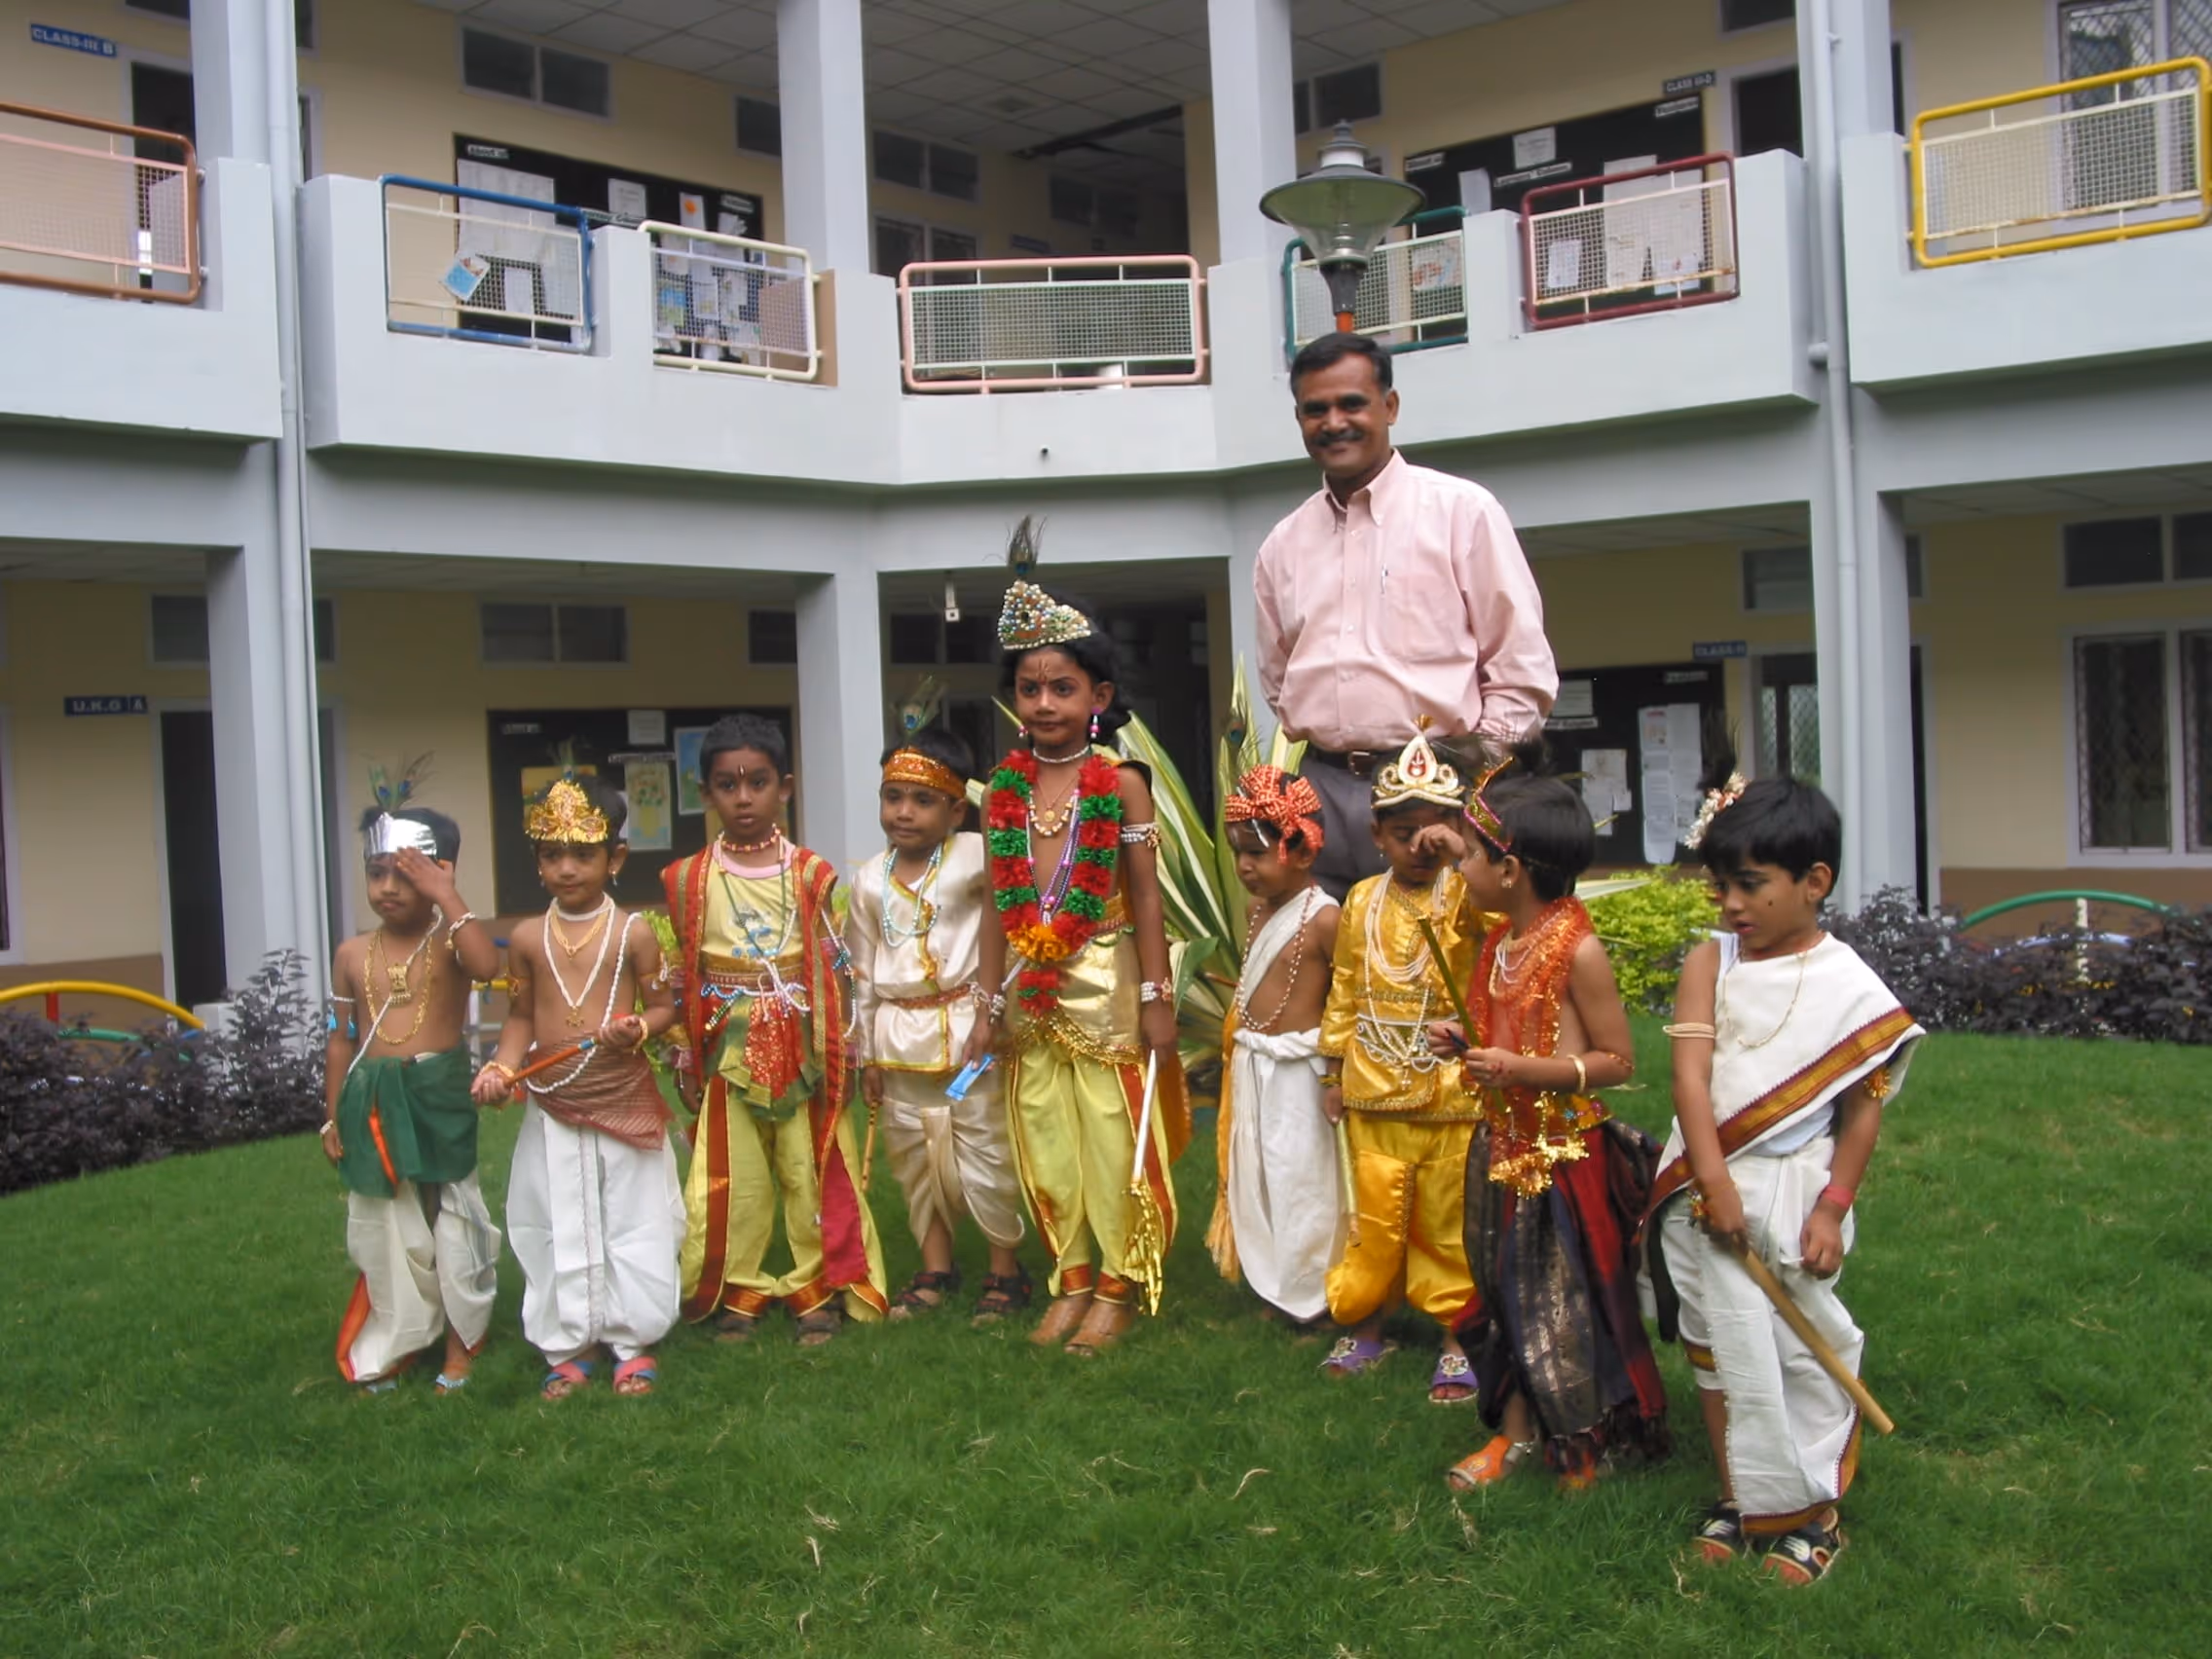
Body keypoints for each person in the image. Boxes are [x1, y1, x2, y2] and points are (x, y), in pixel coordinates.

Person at [1645, 752, 1924, 1584]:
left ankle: (1811, 1512)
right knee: (1715, 1343)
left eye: (1751, 885)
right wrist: (1716, 1184)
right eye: (1719, 887)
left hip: (1794, 1186)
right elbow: (1689, 1079)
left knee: (1798, 1348)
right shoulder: (1711, 962)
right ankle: (1740, 1496)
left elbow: (1862, 1109)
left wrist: (1833, 1208)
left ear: (1814, 880)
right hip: (1703, 1183)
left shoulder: (1851, 986)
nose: (1731, 905)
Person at [1418, 754, 1669, 1493]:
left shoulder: (1577, 949)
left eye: (1469, 856)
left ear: (1512, 870)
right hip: (1500, 1142)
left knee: (1565, 1303)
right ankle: (1517, 1435)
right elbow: (1509, 1043)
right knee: (1506, 1297)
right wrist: (1468, 1047)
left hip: (1564, 1156)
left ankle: (1582, 1440)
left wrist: (1522, 1071)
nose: (1462, 869)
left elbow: (1618, 1061)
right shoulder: (1502, 941)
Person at [1253, 330, 1559, 901]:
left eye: (1352, 404)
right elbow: (1278, 682)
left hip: (1439, 790)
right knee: (1329, 971)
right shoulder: (1282, 544)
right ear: (1299, 419)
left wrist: (1469, 779)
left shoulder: (1461, 513)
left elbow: (1520, 668)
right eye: (1315, 410)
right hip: (1320, 791)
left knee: (1438, 977)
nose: (1333, 422)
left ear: (1389, 407)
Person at [977, 580, 1185, 1357]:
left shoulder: (1121, 781)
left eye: (1062, 687)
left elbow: (1146, 899)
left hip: (1105, 977)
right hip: (1027, 985)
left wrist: (1158, 995)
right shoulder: (1003, 789)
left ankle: (1119, 1283)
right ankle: (1070, 1275)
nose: (1043, 704)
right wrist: (984, 1003)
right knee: (1042, 1132)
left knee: (1108, 1131)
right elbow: (1003, 904)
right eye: (1029, 688)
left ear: (1098, 694)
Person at [663, 715, 887, 1344]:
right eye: (727, 785)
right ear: (705, 793)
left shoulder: (810, 873)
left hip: (802, 1046)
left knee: (807, 1164)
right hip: (726, 1047)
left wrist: (841, 1049)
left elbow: (833, 962)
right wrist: (685, 1052)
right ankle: (737, 1287)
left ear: (783, 788)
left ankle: (815, 1287)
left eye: (757, 783)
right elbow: (685, 968)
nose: (743, 798)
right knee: (734, 1174)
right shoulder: (687, 880)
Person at [472, 773, 684, 1401]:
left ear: (614, 858)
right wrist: (499, 1067)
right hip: (555, 1100)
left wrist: (637, 1027)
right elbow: (517, 1019)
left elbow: (666, 1010)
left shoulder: (634, 932)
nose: (567, 869)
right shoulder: (529, 937)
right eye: (551, 854)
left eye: (583, 854)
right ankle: (569, 1343)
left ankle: (631, 1340)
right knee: (555, 1216)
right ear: (537, 861)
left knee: (633, 1217)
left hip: (621, 1095)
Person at [1315, 726, 1488, 1403]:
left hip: (1451, 1086)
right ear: (1377, 835)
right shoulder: (1361, 900)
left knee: (1447, 1216)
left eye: (1435, 832)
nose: (1419, 846)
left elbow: (1500, 938)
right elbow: (1346, 988)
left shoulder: (1471, 898)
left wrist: (1466, 859)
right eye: (1403, 831)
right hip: (1373, 1083)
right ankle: (1366, 1323)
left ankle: (1456, 1335)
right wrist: (1333, 1073)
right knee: (1374, 1215)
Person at [845, 723, 1032, 1324]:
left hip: (969, 1029)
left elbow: (1016, 919)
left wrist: (992, 1010)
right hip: (898, 1038)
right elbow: (864, 972)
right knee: (914, 1156)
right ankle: (936, 1267)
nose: (903, 813)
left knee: (986, 1148)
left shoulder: (976, 855)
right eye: (892, 797)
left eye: (923, 801)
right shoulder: (868, 878)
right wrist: (867, 1054)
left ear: (957, 809)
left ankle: (1006, 1271)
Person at [322, 793, 501, 1392]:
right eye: (377, 874)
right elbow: (342, 1041)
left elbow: (485, 967)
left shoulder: (452, 939)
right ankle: (400, 1337)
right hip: (373, 1098)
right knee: (389, 1219)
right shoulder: (351, 953)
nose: (389, 888)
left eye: (407, 874)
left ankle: (460, 1339)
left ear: (439, 872)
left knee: (449, 1213)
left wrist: (449, 899)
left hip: (439, 1090)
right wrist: (332, 1119)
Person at [1204, 764, 1341, 1331]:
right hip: (1255, 1066)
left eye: (1256, 853)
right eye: (1238, 852)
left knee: (1302, 1180)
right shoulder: (1257, 909)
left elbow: (1346, 1006)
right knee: (1258, 1174)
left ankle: (1318, 1301)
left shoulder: (1326, 918)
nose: (1244, 867)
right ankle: (1278, 1289)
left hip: (1300, 1075)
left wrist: (1335, 1077)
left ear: (1302, 850)